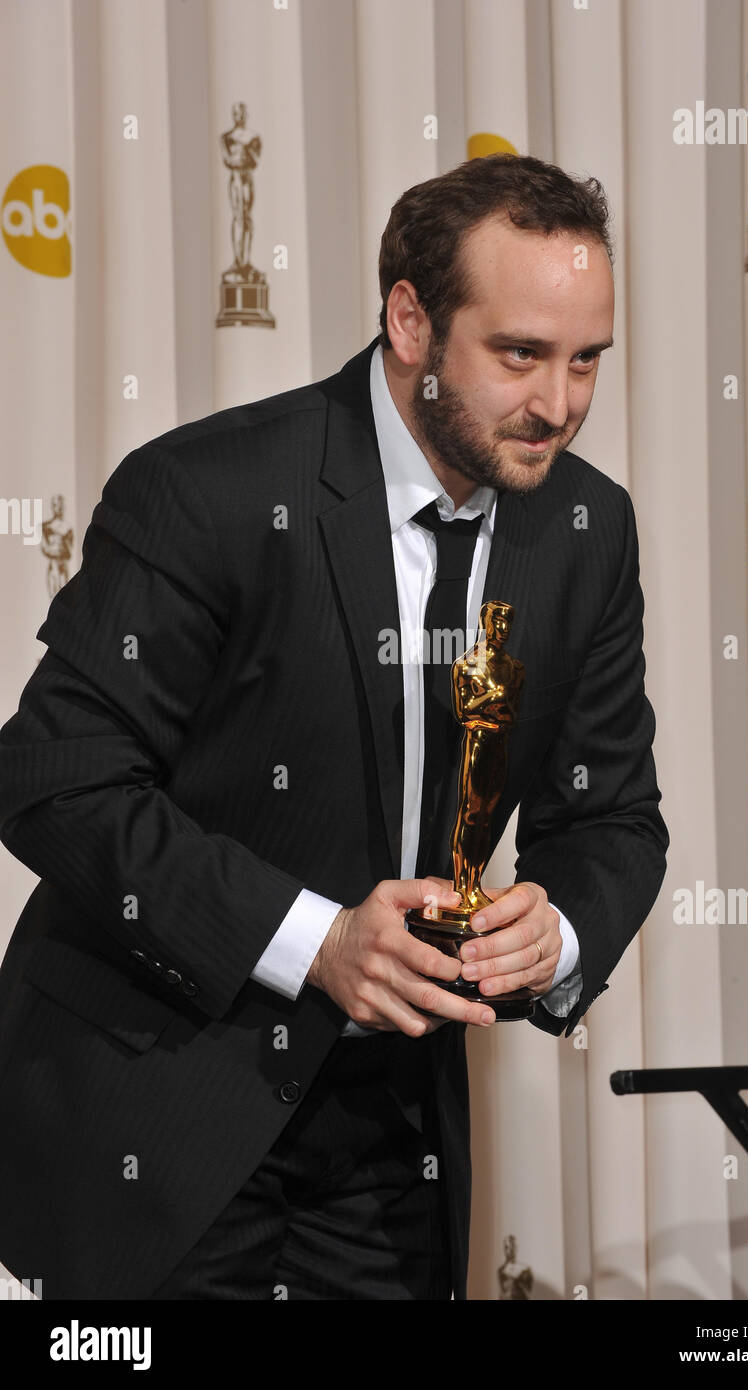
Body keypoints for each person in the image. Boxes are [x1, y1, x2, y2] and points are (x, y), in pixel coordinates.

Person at [0, 153, 667, 1300]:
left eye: (586, 360)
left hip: (390, 1146)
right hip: (164, 1104)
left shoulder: (586, 529)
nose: (558, 404)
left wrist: (549, 938)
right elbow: (56, 780)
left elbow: (612, 818)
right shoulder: (208, 491)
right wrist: (314, 941)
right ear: (411, 320)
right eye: (519, 354)